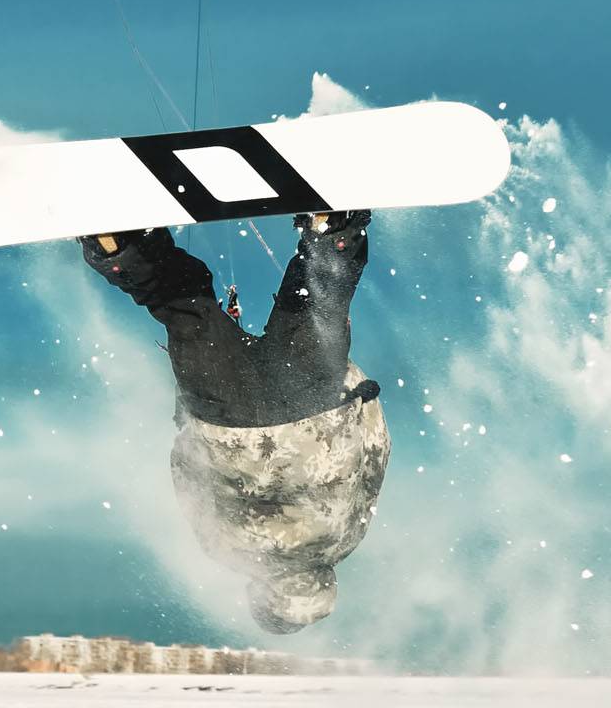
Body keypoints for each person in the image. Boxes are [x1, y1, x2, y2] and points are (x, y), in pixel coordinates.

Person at [80, 211, 389, 634]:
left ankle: (331, 229)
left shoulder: (346, 537)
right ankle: (115, 242)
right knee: (181, 302)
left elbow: (373, 460)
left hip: (312, 404)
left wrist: (354, 393)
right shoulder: (228, 551)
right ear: (265, 596)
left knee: (317, 299)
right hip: (228, 417)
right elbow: (189, 479)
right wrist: (192, 420)